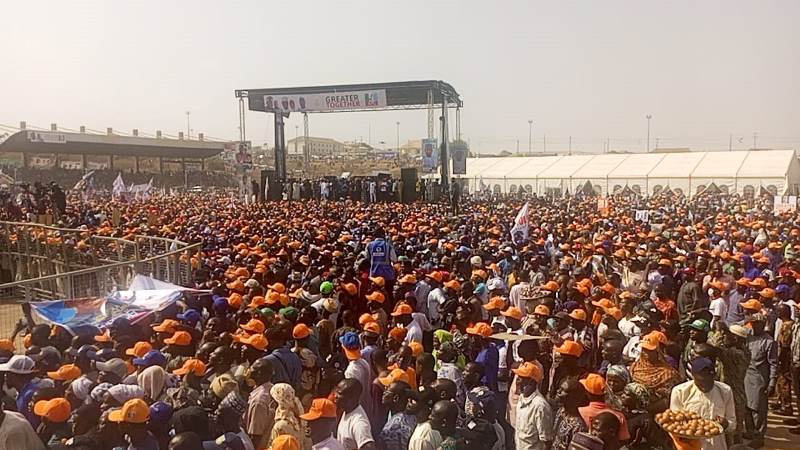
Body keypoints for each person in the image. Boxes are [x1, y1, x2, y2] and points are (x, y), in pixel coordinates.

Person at [670, 357, 736, 450]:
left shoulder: (725, 391)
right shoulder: (680, 392)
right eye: (700, 382)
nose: (704, 386)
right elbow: (673, 424)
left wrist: (725, 424)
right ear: (693, 376)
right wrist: (684, 433)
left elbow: (732, 425)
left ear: (714, 376)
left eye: (708, 382)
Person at [744, 314, 777, 449]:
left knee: (758, 410)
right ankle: (750, 432)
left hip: (759, 380)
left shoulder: (769, 342)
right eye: (752, 323)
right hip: (746, 376)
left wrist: (771, 383)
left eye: (756, 323)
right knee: (747, 408)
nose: (753, 326)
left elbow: (773, 364)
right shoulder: (748, 337)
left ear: (762, 325)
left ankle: (759, 437)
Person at [513, 362, 553, 450]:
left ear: (531, 381)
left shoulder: (540, 406)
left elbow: (546, 441)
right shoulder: (521, 398)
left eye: (521, 377)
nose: (517, 380)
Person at [245, 358, 277, 450]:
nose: (249, 369)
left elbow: (255, 435)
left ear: (259, 373)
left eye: (252, 367)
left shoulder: (258, 401)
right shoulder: (273, 389)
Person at [334, 379, 375, 450]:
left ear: (352, 397)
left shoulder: (359, 423)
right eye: (336, 391)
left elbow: (369, 447)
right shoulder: (347, 410)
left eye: (339, 393)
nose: (335, 395)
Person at [378, 381, 416, 450]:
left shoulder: (398, 425)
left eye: (387, 390)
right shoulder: (392, 413)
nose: (384, 392)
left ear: (395, 398)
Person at [552, 379, 589, 450]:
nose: (558, 391)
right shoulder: (561, 411)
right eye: (560, 388)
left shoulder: (578, 427)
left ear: (574, 397)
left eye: (563, 390)